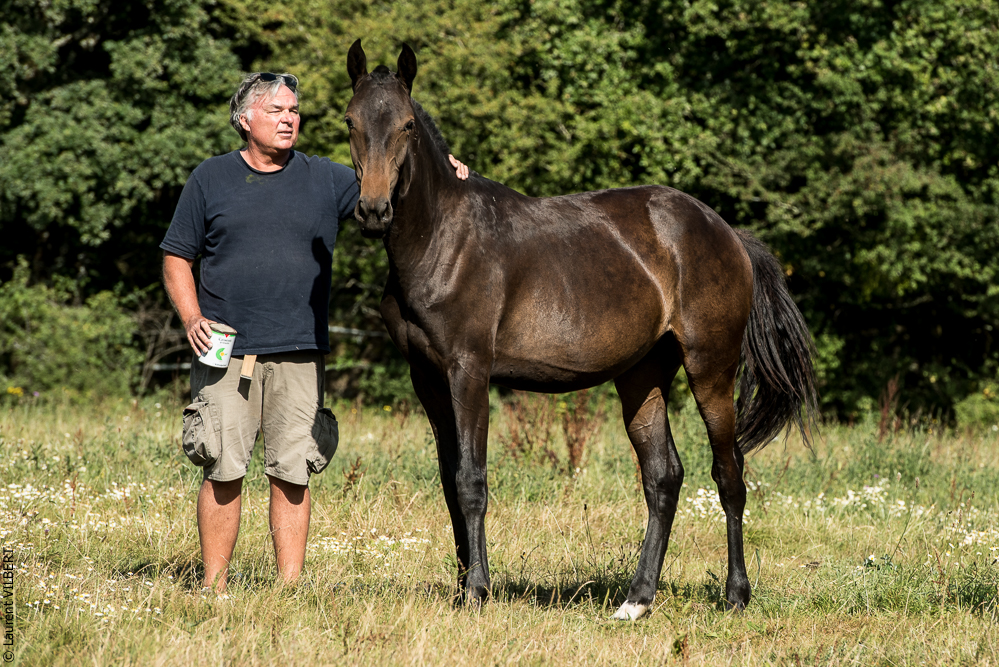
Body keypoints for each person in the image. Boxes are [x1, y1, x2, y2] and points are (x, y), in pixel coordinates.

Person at [161, 71, 468, 592]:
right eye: (277, 110)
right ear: (244, 119)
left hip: (300, 351)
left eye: (294, 110)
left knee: (293, 472)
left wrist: (447, 165)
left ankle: (289, 589)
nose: (289, 118)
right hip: (225, 351)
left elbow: (393, 180)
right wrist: (191, 317)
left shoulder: (327, 179)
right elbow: (176, 256)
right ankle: (213, 589)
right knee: (222, 469)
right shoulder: (209, 179)